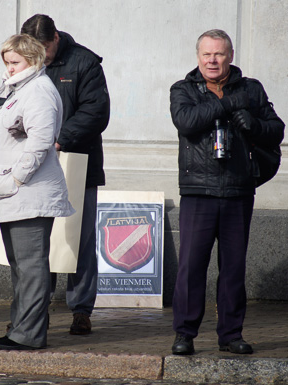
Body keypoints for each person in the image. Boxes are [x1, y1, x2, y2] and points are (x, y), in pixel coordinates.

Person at [170, 29, 284, 355]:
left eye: (219, 54)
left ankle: (231, 335)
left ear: (230, 56)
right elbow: (188, 121)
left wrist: (254, 124)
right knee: (191, 267)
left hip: (238, 190)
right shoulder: (184, 89)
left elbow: (276, 129)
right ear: (198, 57)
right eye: (206, 54)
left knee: (233, 268)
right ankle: (184, 334)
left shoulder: (252, 89)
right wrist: (230, 104)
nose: (212, 60)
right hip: (198, 191)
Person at [20, 14, 110, 335]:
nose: (40, 56)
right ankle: (33, 310)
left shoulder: (84, 62)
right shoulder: (25, 61)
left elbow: (96, 112)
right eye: (34, 49)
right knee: (36, 242)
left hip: (77, 164)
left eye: (43, 47)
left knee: (78, 241)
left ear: (55, 37)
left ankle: (81, 309)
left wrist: (59, 139)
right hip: (36, 167)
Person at [0, 34, 75, 350]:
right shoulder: (20, 89)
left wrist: (16, 179)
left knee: (32, 267)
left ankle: (29, 334)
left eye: (15, 62)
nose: (9, 69)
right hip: (16, 195)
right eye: (6, 62)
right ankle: (20, 329)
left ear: (33, 60)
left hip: (29, 194)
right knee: (21, 266)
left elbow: (40, 142)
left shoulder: (38, 91)